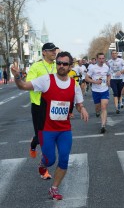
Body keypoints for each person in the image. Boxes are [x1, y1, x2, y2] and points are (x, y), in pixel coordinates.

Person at [11, 51, 89, 200]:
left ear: (70, 66)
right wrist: (16, 76)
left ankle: (54, 188)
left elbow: (78, 104)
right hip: (47, 129)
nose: (61, 66)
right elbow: (22, 86)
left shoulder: (74, 84)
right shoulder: (46, 80)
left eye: (64, 64)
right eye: (58, 63)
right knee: (50, 160)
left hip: (64, 130)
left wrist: (82, 109)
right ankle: (43, 162)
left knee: (64, 160)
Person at [26, 42, 58, 162]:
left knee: (54, 135)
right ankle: (34, 144)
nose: (54, 52)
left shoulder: (57, 66)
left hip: (55, 105)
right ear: (44, 52)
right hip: (39, 105)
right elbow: (29, 84)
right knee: (41, 138)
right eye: (51, 50)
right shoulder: (36, 66)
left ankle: (45, 162)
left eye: (54, 50)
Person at [85, 52, 111, 134]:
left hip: (104, 90)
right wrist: (95, 82)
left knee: (104, 107)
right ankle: (97, 112)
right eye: (100, 58)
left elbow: (109, 75)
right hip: (96, 90)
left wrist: (108, 80)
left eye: (103, 58)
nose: (101, 60)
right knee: (98, 107)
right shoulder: (93, 68)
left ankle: (103, 126)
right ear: (96, 59)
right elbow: (86, 78)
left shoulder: (106, 67)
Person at [107, 50, 124, 114]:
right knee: (115, 93)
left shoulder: (121, 60)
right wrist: (108, 80)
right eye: (113, 53)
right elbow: (107, 71)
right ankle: (116, 108)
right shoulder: (109, 62)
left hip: (120, 79)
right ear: (111, 55)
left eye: (115, 53)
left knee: (120, 93)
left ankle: (119, 102)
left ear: (117, 54)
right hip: (113, 79)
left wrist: (121, 72)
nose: (114, 54)